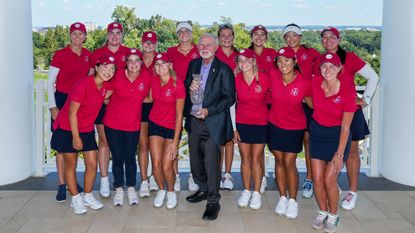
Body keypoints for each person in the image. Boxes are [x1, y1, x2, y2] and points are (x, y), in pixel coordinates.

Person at [320, 26, 379, 210]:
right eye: (325, 37)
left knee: (352, 153)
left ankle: (352, 192)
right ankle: (332, 185)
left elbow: (373, 77)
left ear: (339, 40)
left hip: (350, 111)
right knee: (330, 152)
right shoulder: (320, 60)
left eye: (332, 37)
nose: (328, 40)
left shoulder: (350, 57)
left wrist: (365, 99)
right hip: (329, 113)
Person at [50, 54, 116, 214]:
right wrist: (76, 136)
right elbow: (72, 113)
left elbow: (114, 96)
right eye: (105, 67)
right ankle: (75, 198)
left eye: (112, 69)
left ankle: (87, 195)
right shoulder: (84, 84)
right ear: (98, 67)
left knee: (92, 163)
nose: (108, 71)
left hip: (86, 129)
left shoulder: (106, 88)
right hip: (68, 128)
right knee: (71, 165)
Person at [184, 33, 235, 220]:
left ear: (216, 48)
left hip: (213, 123)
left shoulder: (224, 69)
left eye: (208, 44)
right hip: (194, 121)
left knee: (211, 164)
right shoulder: (193, 65)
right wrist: (189, 87)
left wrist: (209, 110)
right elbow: (185, 86)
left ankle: (213, 201)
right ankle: (203, 189)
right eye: (201, 44)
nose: (204, 47)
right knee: (195, 162)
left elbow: (229, 97)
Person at [310, 52, 355, 232]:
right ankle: (322, 211)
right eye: (324, 66)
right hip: (317, 134)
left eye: (332, 67)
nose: (327, 70)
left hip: (338, 136)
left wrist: (339, 154)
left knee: (330, 179)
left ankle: (333, 214)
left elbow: (345, 128)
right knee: (317, 179)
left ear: (339, 69)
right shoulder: (314, 83)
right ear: (319, 68)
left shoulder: (347, 90)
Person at [47, 22, 91, 202]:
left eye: (81, 34)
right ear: (70, 36)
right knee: (61, 146)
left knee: (75, 142)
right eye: (74, 34)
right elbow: (50, 83)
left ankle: (72, 181)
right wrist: (52, 106)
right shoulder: (60, 54)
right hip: (62, 100)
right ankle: (62, 184)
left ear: (85, 37)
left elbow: (89, 81)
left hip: (80, 103)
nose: (77, 37)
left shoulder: (88, 55)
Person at [103, 49, 151, 206]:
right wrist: (113, 104)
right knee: (117, 157)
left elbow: (150, 97)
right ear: (126, 63)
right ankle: (118, 188)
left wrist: (134, 100)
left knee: (130, 157)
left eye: (137, 60)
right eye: (130, 61)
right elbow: (104, 96)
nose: (133, 64)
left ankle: (130, 186)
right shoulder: (117, 75)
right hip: (113, 123)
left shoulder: (147, 76)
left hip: (132, 124)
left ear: (141, 62)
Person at [269, 47, 311, 219]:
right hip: (275, 124)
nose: (282, 64)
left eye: (287, 60)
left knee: (289, 161)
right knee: (279, 160)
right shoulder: (272, 76)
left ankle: (293, 200)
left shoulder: (304, 82)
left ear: (295, 62)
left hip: (294, 127)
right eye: (279, 60)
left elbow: (314, 103)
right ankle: (282, 197)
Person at [91, 22, 130, 198]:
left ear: (122, 35)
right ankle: (105, 179)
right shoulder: (98, 53)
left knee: (122, 144)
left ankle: (122, 183)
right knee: (105, 141)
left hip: (122, 105)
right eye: (111, 33)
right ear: (107, 35)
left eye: (118, 33)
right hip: (102, 103)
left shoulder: (128, 52)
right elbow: (91, 78)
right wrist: (102, 98)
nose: (114, 36)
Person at [282, 23, 320, 199]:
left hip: (308, 102)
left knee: (309, 141)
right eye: (288, 36)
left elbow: (327, 70)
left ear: (300, 37)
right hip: (291, 103)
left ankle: (310, 178)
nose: (291, 39)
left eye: (294, 35)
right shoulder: (282, 55)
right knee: (291, 142)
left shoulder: (311, 53)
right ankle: (287, 174)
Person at [232, 49, 269, 210]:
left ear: (253, 61)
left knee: (256, 158)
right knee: (245, 158)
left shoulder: (265, 78)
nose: (243, 63)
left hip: (261, 123)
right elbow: (231, 105)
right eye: (240, 60)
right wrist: (234, 128)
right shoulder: (235, 79)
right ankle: (246, 190)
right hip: (242, 123)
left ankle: (256, 193)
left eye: (247, 60)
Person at [148, 53, 185, 209]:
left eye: (163, 64)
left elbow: (179, 114)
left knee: (166, 166)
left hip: (171, 127)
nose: (160, 67)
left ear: (170, 66)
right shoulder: (154, 80)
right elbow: (149, 98)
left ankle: (170, 192)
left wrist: (176, 141)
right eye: (157, 64)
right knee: (155, 164)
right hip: (155, 123)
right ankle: (161, 189)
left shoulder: (178, 85)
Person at [167, 20, 200, 192]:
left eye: (187, 31)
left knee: (194, 138)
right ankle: (176, 175)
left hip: (195, 99)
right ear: (177, 34)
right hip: (175, 98)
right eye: (181, 31)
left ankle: (194, 175)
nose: (184, 34)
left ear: (192, 33)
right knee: (176, 137)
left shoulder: (199, 50)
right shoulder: (171, 51)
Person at [249, 25, 278, 193]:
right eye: (255, 34)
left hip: (271, 103)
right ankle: (261, 177)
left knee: (268, 143)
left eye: (262, 35)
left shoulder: (272, 54)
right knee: (256, 145)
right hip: (253, 104)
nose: (259, 37)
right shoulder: (245, 54)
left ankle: (264, 174)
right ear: (251, 37)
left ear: (266, 37)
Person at [216, 23, 238, 190]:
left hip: (236, 101)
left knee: (230, 138)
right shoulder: (213, 55)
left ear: (233, 37)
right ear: (218, 38)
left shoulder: (239, 56)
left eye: (229, 35)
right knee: (219, 140)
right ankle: (217, 173)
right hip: (218, 102)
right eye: (222, 35)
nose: (226, 38)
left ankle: (228, 174)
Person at [138, 31, 159, 197]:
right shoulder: (134, 59)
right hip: (140, 107)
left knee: (155, 146)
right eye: (146, 42)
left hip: (159, 107)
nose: (149, 45)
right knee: (143, 145)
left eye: (151, 42)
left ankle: (154, 177)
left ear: (156, 44)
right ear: (141, 43)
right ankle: (144, 180)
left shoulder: (161, 60)